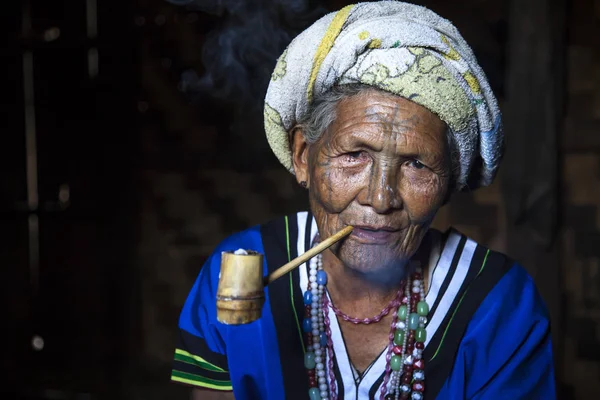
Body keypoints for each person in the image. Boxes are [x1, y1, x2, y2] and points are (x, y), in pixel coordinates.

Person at [170, 2, 556, 399]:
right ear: (304, 155)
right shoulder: (232, 274)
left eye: (418, 165)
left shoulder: (500, 305)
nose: (380, 197)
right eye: (355, 155)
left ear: (449, 183)